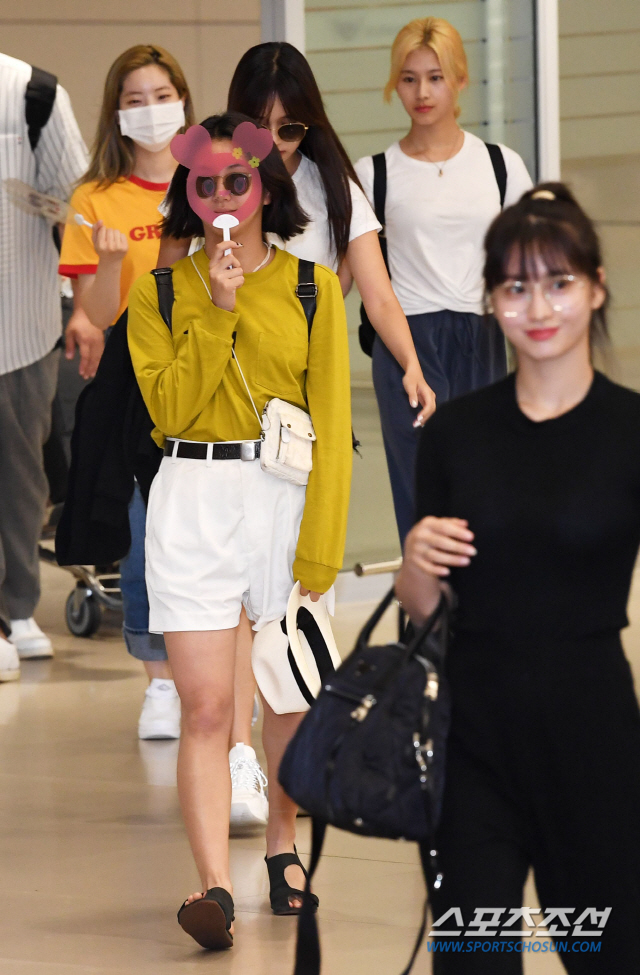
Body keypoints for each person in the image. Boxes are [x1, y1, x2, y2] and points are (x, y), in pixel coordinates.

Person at [396, 183, 640, 972]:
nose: (538, 307)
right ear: (492, 300)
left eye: (559, 282)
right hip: (472, 737)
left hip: (594, 736)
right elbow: (424, 610)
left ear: (596, 287)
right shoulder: (457, 435)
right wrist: (414, 563)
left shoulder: (629, 430)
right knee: (476, 954)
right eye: (515, 286)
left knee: (610, 952)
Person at [128, 111, 352, 948]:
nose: (222, 196)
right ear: (187, 193)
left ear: (264, 186)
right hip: (192, 496)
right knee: (209, 704)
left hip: (284, 496)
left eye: (237, 180)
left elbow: (333, 421)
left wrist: (321, 547)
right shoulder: (158, 291)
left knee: (286, 689)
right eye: (205, 183)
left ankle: (283, 844)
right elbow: (170, 408)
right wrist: (218, 308)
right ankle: (214, 884)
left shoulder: (311, 288)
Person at [159, 41, 435, 424]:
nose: (274, 141)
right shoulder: (207, 180)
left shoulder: (335, 190)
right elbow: (163, 285)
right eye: (260, 127)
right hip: (213, 366)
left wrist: (411, 364)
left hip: (298, 378)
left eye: (289, 128)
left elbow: (380, 298)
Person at [58, 44, 195, 738]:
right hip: (134, 383)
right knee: (144, 534)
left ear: (184, 100)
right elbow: (97, 312)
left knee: (208, 535)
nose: (151, 110)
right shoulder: (94, 198)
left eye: (162, 95)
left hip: (208, 375)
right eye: (135, 99)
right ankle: (159, 681)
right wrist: (111, 262)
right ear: (116, 112)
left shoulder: (214, 179)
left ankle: (222, 675)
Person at [354, 17, 533, 544]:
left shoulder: (500, 165)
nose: (422, 93)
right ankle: (425, 601)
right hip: (406, 343)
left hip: (483, 337)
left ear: (460, 79)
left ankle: (485, 599)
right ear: (395, 84)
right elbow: (348, 273)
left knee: (486, 492)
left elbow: (529, 263)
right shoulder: (374, 172)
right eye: (409, 79)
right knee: (421, 496)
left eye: (435, 77)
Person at [0, 53, 87, 681]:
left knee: (21, 474)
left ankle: (19, 605)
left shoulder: (33, 93)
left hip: (22, 323)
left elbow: (77, 205)